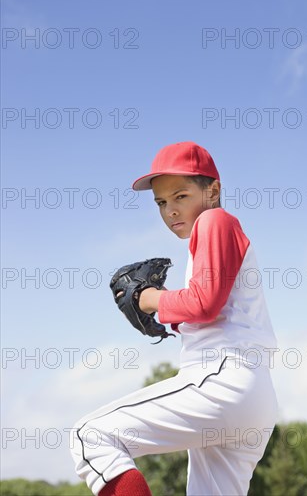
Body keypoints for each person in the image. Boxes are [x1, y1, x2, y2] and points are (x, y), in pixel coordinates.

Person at [70, 141, 279, 496]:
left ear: (213, 190)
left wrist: (149, 299)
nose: (170, 211)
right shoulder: (216, 235)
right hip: (251, 396)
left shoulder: (215, 220)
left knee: (91, 436)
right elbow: (207, 305)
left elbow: (204, 302)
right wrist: (169, 314)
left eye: (181, 196)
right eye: (162, 203)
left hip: (223, 379)